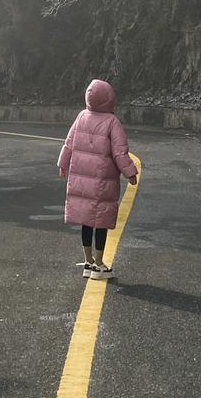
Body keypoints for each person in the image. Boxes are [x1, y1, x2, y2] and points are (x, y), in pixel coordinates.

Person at [58, 78, 138, 280]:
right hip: (103, 182)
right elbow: (120, 153)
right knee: (100, 220)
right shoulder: (112, 122)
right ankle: (99, 265)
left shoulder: (81, 117)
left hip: (81, 180)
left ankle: (87, 262)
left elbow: (69, 143)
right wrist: (130, 173)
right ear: (109, 99)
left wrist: (63, 163)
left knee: (86, 220)